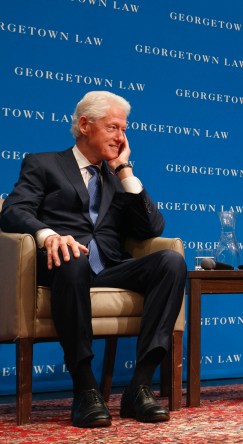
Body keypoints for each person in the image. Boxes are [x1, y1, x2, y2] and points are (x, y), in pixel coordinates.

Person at [0, 91, 186, 427]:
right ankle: (85, 388)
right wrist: (49, 236)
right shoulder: (43, 164)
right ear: (85, 125)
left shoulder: (116, 180)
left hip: (111, 268)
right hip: (65, 267)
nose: (121, 137)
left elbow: (152, 228)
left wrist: (125, 171)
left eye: (125, 130)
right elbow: (13, 211)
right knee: (73, 259)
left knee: (170, 262)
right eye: (113, 128)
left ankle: (140, 387)